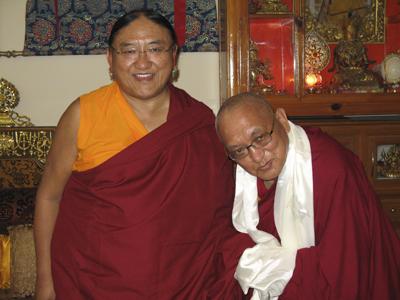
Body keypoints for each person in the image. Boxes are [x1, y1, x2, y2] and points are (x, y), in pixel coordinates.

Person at [34, 9, 244, 299]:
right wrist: (45, 283)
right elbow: (49, 196)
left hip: (186, 283)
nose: (143, 62)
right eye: (129, 50)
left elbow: (219, 212)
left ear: (174, 56)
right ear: (110, 59)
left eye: (155, 49)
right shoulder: (82, 115)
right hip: (94, 283)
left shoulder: (198, 121)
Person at [215, 92, 400, 299]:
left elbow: (344, 271)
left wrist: (265, 265)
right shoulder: (238, 175)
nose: (257, 156)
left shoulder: (332, 170)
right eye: (239, 151)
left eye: (260, 138)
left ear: (282, 120)